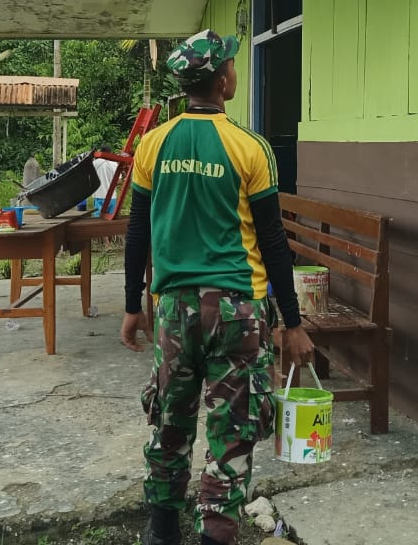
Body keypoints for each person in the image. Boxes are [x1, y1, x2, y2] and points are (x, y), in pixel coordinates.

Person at [120, 30, 315, 545]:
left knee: (170, 423)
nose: (235, 69)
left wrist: (130, 307)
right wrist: (291, 323)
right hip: (236, 312)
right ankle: (215, 536)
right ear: (223, 80)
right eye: (232, 62)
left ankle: (163, 533)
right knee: (232, 435)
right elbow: (274, 243)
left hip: (174, 310)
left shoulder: (152, 144)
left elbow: (137, 233)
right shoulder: (251, 148)